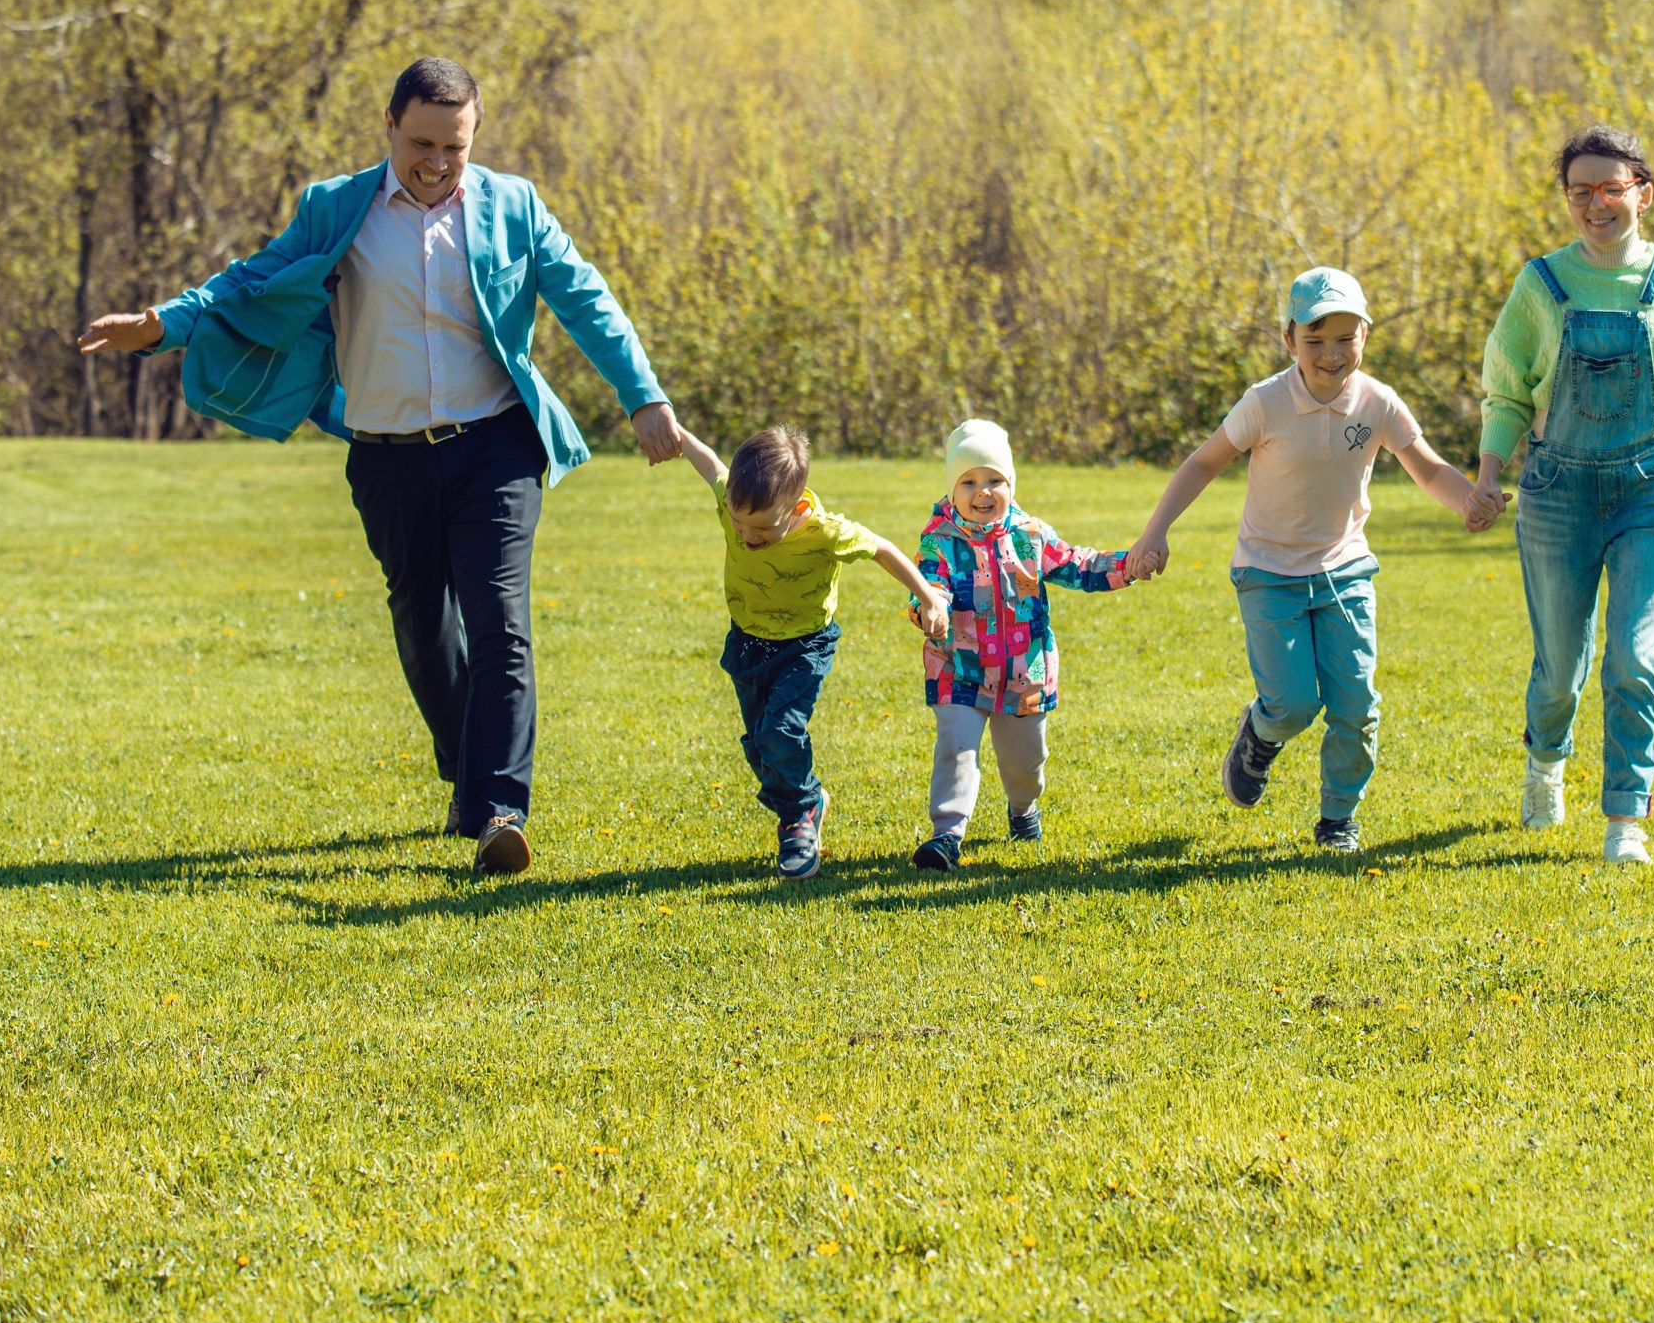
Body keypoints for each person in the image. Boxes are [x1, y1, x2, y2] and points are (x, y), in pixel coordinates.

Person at [77, 57, 687, 877]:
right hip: (387, 456)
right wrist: (161, 326)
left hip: (495, 445)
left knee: (501, 623)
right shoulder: (336, 208)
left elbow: (587, 300)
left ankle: (500, 808)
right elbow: (250, 281)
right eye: (422, 143)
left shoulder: (514, 206)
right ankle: (467, 771)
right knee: (423, 628)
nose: (437, 162)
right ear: (390, 127)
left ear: (475, 137)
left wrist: (643, 396)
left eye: (455, 147)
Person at [1466, 124, 1654, 865]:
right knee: (1559, 670)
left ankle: (1627, 819)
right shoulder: (1542, 283)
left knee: (1633, 658)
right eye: (1580, 192)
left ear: (1643, 194)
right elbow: (1506, 390)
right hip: (1555, 491)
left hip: (1647, 489)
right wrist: (1490, 472)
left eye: (1611, 189)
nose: (1595, 204)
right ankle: (1545, 766)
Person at [1127, 267, 1490, 854]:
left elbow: (1426, 467)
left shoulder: (1377, 402)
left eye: (1345, 337)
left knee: (1357, 705)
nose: (1330, 353)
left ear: (1365, 335)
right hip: (1268, 573)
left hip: (1345, 570)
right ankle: (1261, 731)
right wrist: (1156, 531)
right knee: (1292, 704)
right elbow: (1203, 462)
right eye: (1315, 339)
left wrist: (1468, 499)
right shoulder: (1265, 402)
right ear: (1289, 339)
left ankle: (1337, 819)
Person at [677, 425, 949, 880]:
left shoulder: (825, 532)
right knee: (760, 746)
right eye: (737, 523)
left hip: (804, 645)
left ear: (796, 506)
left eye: (762, 528)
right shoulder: (733, 496)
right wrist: (675, 433)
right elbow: (708, 461)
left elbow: (881, 549)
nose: (746, 536)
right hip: (748, 642)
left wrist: (929, 597)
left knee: (779, 731)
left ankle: (799, 816)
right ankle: (803, 801)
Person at [907, 420, 1140, 872]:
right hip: (959, 668)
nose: (983, 491)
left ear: (1011, 484)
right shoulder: (938, 541)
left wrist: (1127, 566)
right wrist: (928, 609)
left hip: (1023, 673)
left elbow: (1078, 565)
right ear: (952, 489)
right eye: (969, 482)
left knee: (1025, 763)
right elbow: (928, 586)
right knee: (957, 747)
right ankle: (947, 835)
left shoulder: (1030, 535)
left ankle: (1023, 807)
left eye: (995, 480)